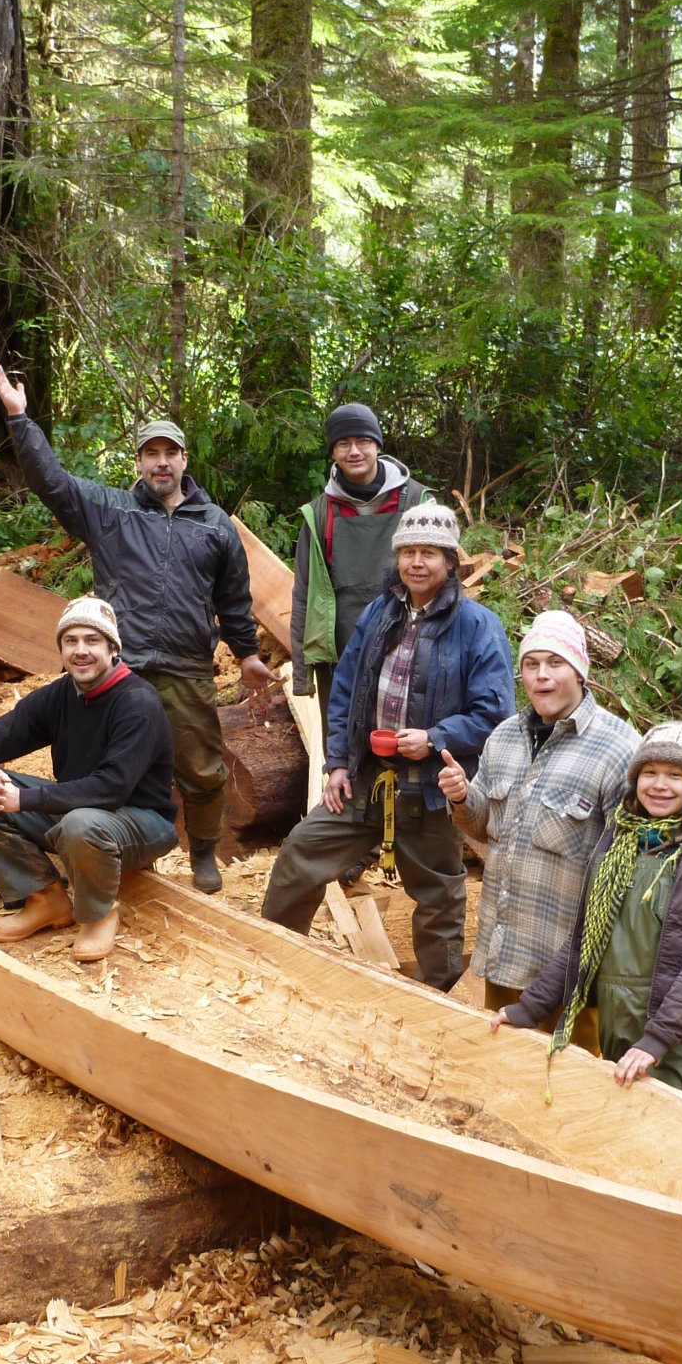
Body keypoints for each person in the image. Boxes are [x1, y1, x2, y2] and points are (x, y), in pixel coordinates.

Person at [0, 362, 270, 895]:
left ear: (185, 459)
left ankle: (203, 852)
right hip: (123, 669)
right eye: (151, 454)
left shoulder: (215, 527)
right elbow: (50, 481)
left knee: (203, 771)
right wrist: (20, 417)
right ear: (138, 462)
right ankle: (108, 849)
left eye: (170, 453)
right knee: (108, 766)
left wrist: (248, 652)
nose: (161, 463)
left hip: (187, 668)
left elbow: (234, 598)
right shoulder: (110, 511)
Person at [260, 502, 513, 990]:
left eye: (429, 553)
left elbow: (494, 714)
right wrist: (336, 762)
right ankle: (276, 958)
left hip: (430, 789)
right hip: (366, 779)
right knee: (301, 853)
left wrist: (435, 737)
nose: (417, 562)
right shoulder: (381, 611)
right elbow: (348, 690)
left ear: (450, 562)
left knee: (438, 895)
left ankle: (436, 997)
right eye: (409, 551)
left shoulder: (478, 625)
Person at [489, 721, 682, 1106]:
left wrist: (656, 1040)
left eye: (675, 775)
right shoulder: (618, 844)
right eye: (650, 773)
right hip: (619, 1025)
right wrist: (531, 1007)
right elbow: (583, 941)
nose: (660, 785)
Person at [0, 597, 178, 962]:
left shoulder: (138, 702)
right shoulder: (61, 693)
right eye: (71, 641)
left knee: (81, 824)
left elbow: (110, 788)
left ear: (112, 648)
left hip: (141, 822)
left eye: (92, 641)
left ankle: (99, 913)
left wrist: (23, 800)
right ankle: (45, 897)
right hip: (79, 813)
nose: (81, 651)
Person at [438, 611, 638, 1009]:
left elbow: (630, 871)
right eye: (531, 664)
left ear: (580, 672)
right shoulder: (504, 737)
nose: (541, 675)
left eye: (555, 663)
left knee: (572, 1068)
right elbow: (483, 829)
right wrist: (462, 797)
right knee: (504, 1065)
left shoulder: (621, 748)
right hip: (505, 955)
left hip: (572, 974)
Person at [289, 403, 433, 717]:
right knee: (342, 755)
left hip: (411, 654)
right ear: (333, 453)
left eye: (363, 441)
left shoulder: (417, 503)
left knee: (406, 751)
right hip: (340, 661)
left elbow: (446, 585)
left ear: (378, 445)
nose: (354, 451)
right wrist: (302, 675)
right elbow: (303, 594)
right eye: (343, 443)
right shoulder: (318, 514)